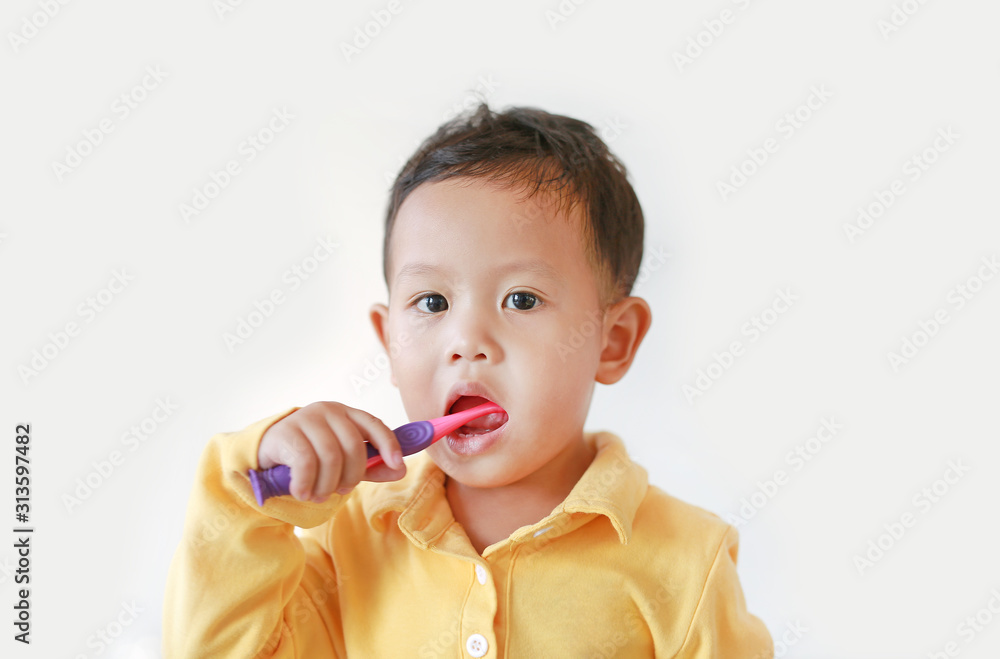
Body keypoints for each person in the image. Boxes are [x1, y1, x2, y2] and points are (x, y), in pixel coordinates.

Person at [162, 102, 773, 658]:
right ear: (390, 344)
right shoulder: (348, 539)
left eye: (522, 299)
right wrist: (248, 495)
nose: (466, 343)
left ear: (612, 342)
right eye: (431, 303)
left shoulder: (686, 561)